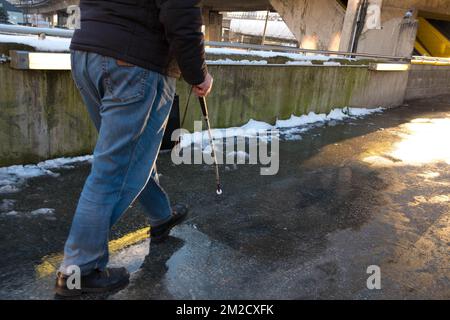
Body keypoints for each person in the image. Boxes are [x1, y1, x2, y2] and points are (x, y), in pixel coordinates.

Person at [55, 0, 213, 297]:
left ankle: (161, 216)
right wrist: (198, 73)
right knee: (114, 169)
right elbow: (180, 11)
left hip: (87, 53)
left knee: (131, 155)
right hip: (135, 62)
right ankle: (79, 270)